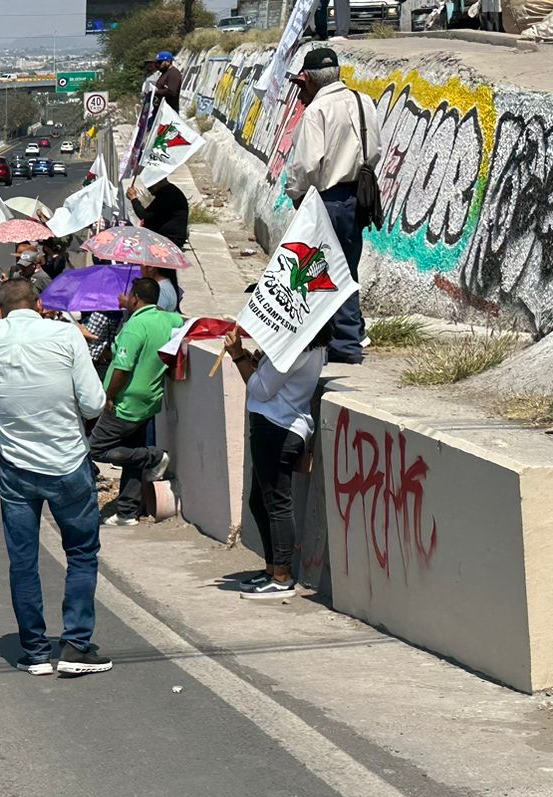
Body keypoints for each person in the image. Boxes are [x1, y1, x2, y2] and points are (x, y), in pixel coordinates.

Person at [0, 279, 112, 677]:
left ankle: (35, 652)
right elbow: (92, 403)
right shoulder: (66, 335)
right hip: (67, 464)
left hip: (17, 469)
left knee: (23, 562)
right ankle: (75, 646)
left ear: (0, 310)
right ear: (38, 304)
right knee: (82, 555)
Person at [285, 47, 381, 365]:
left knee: (324, 273)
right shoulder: (362, 101)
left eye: (302, 84)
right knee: (346, 267)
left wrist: (296, 194)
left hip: (330, 198)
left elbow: (308, 165)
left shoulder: (317, 111)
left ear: (310, 80)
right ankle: (350, 334)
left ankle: (343, 343)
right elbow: (375, 149)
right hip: (360, 195)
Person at [226, 323, 331, 599]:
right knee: (259, 501)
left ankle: (282, 576)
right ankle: (273, 568)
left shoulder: (294, 346)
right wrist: (258, 362)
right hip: (279, 425)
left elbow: (261, 389)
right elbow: (274, 380)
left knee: (275, 503)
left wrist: (238, 356)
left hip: (277, 427)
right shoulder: (312, 345)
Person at [89, 277, 182, 526]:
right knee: (132, 452)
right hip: (150, 399)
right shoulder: (171, 319)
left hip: (125, 401)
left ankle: (154, 456)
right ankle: (127, 512)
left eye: (129, 296)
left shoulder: (134, 327)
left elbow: (122, 367)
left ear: (136, 299)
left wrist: (108, 395)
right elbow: (185, 325)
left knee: (96, 448)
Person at [129, 178, 189, 249]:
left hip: (169, 240)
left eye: (151, 187)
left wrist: (133, 198)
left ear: (159, 182)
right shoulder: (169, 191)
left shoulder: (168, 194)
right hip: (165, 237)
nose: (149, 189)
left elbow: (144, 216)